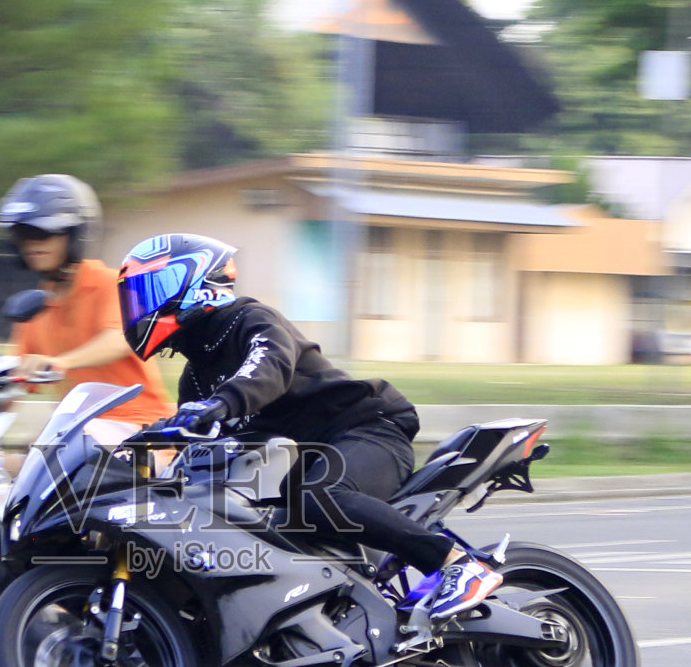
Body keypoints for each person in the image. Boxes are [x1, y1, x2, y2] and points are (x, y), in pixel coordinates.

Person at [115, 232, 500, 621]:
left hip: (366, 429)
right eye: (134, 297)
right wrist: (136, 450)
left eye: (152, 290)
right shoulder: (196, 380)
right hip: (303, 465)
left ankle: (458, 565)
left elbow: (268, 368)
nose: (140, 306)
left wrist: (221, 404)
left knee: (321, 497)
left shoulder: (250, 320)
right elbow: (192, 439)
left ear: (195, 282)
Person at [0, 175, 173, 462]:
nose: (32, 244)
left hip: (140, 430)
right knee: (5, 471)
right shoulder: (38, 302)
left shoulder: (111, 283)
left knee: (57, 456)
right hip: (78, 432)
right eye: (23, 235)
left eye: (43, 233)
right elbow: (16, 374)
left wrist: (61, 362)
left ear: (75, 234)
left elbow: (121, 338)